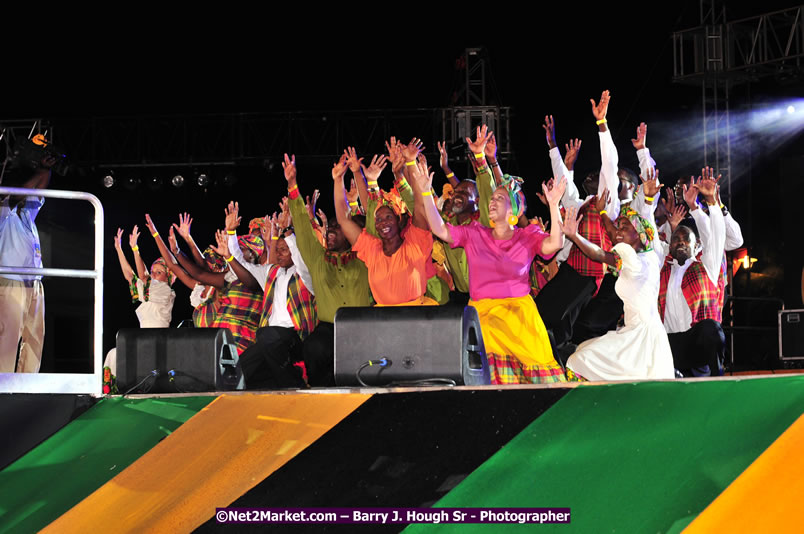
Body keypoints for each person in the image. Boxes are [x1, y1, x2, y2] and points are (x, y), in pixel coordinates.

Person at [409, 148, 568, 384]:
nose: (492, 201)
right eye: (492, 198)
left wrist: (554, 206)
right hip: (483, 315)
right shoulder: (475, 233)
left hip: (519, 316)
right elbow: (440, 229)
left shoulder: (527, 236)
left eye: (499, 198)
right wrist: (424, 192)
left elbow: (555, 243)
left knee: (538, 381)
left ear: (513, 209)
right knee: (488, 362)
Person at [563, 185, 675, 381]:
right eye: (619, 226)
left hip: (639, 337)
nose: (618, 231)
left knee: (579, 360)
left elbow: (599, 254)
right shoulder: (650, 255)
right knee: (583, 351)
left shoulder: (632, 259)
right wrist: (602, 212)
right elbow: (613, 233)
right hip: (646, 333)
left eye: (624, 227)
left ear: (639, 234)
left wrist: (574, 236)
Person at [283, 153, 372, 386]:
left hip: (363, 325)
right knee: (314, 346)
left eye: (337, 226)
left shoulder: (365, 256)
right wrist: (292, 185)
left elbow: (372, 219)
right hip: (328, 328)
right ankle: (322, 393)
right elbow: (303, 227)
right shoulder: (318, 258)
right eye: (329, 226)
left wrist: (356, 175)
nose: (330, 230)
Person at [213, 201, 317, 389]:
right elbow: (243, 267)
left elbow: (300, 258)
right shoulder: (271, 272)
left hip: (297, 337)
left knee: (266, 335)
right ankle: (283, 379)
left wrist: (287, 232)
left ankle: (293, 385)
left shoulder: (304, 273)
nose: (279, 254)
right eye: (277, 250)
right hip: (270, 339)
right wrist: (231, 238)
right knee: (239, 373)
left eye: (284, 250)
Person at [334, 143, 437, 307]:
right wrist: (338, 180)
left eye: (388, 217)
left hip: (415, 316)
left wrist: (411, 163)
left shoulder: (415, 243)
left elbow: (419, 206)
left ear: (398, 220)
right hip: (382, 318)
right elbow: (343, 220)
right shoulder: (371, 249)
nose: (383, 223)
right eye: (378, 219)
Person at [656, 169, 727, 377]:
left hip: (696, 344)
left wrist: (708, 203)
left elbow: (715, 236)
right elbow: (648, 236)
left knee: (712, 329)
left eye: (686, 239)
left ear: (696, 246)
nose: (680, 242)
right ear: (669, 246)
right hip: (670, 345)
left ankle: (717, 376)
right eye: (676, 239)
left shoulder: (706, 266)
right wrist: (649, 200)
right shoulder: (662, 268)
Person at [0, 154, 55, 373]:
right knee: (8, 337)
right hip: (10, 282)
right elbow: (18, 194)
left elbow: (39, 188)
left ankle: (27, 383)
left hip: (34, 282)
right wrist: (37, 172)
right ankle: (3, 384)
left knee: (35, 337)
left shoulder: (27, 216)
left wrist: (45, 169)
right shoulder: (4, 212)